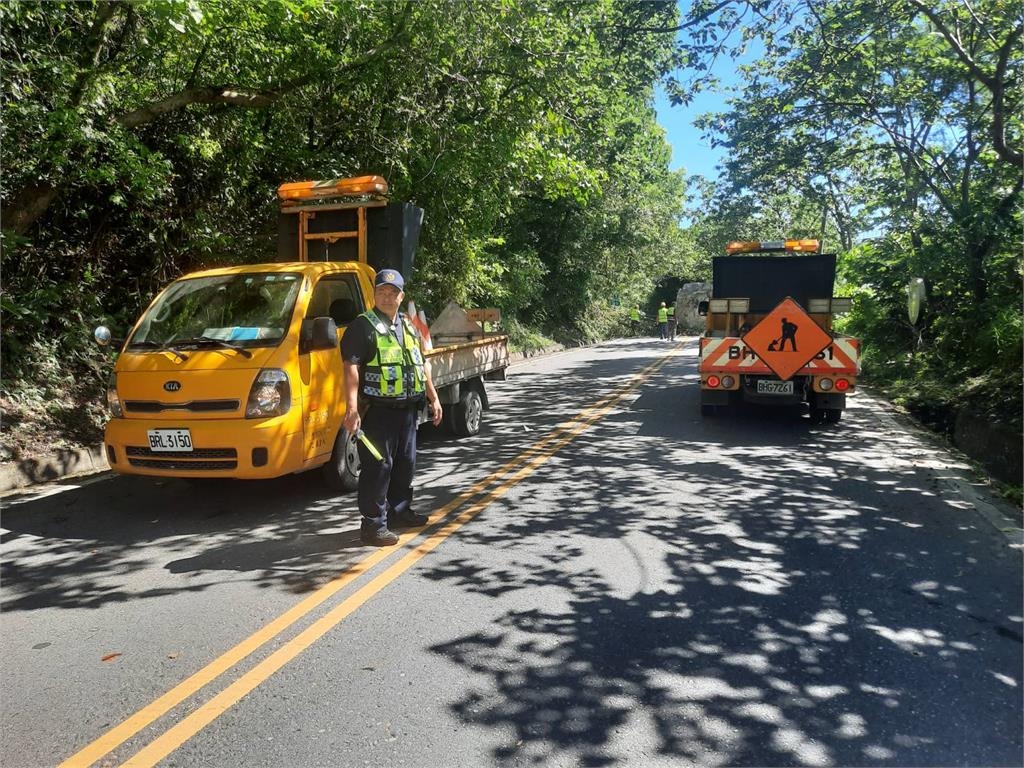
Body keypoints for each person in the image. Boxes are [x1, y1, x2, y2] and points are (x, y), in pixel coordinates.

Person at [341, 268, 443, 546]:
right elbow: (351, 368)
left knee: (405, 465)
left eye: (392, 292)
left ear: (402, 296)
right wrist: (351, 408)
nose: (387, 297)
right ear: (374, 294)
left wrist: (433, 397)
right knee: (378, 467)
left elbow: (421, 365)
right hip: (378, 411)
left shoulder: (409, 325)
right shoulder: (362, 326)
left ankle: (400, 512)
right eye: (381, 292)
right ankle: (373, 526)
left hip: (408, 410)